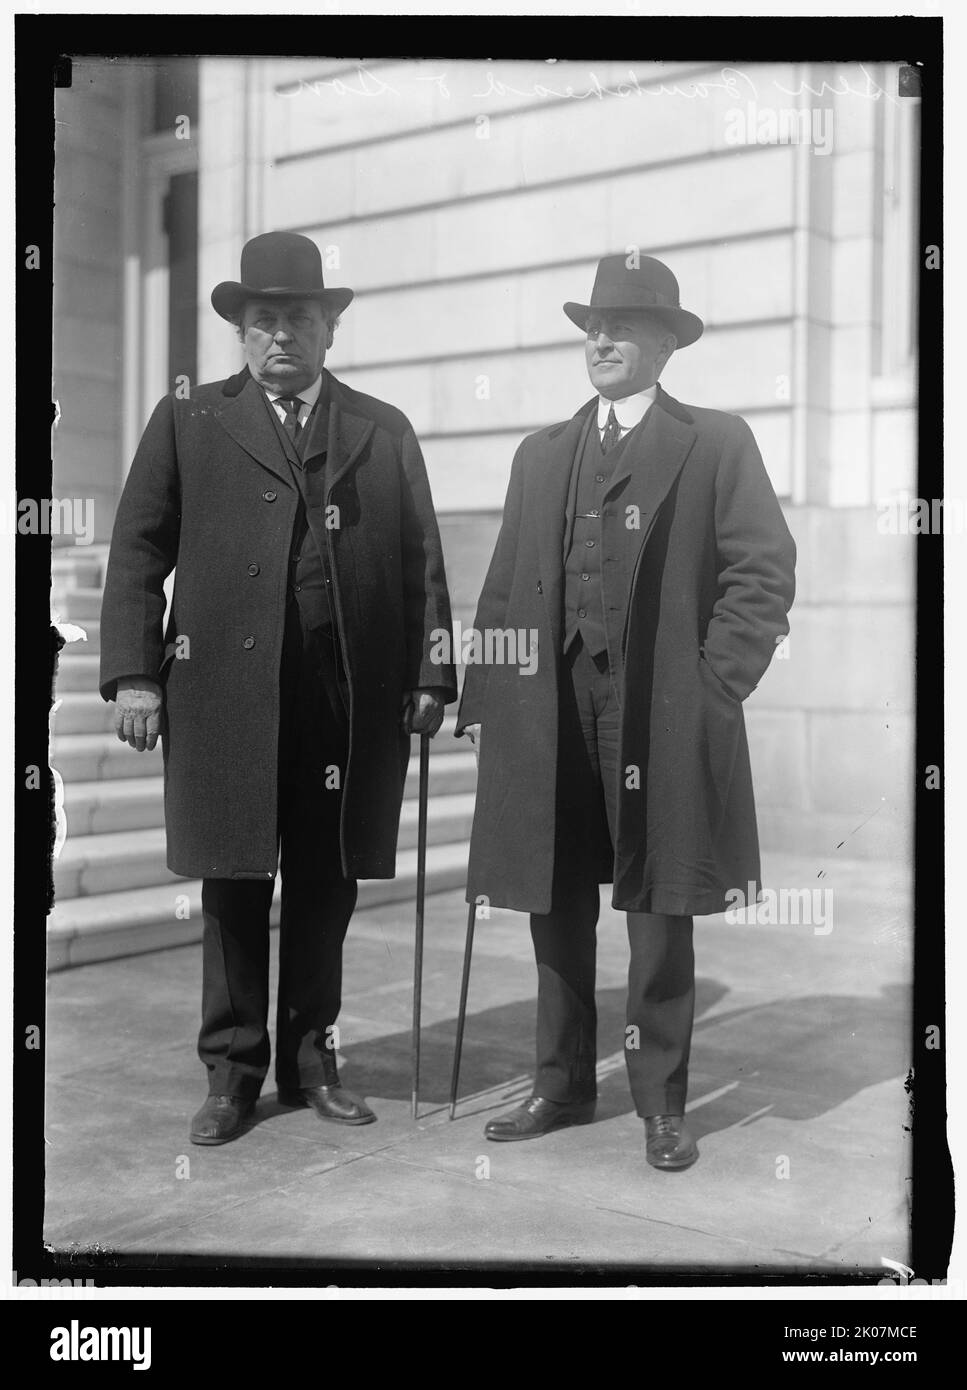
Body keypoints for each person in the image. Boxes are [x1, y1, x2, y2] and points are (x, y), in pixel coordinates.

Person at [100, 231, 456, 1145]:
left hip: (344, 699)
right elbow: (140, 544)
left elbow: (421, 560)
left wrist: (429, 673)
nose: (282, 336)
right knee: (231, 884)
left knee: (326, 882)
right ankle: (230, 1073)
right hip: (222, 694)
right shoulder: (190, 418)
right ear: (242, 333)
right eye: (264, 321)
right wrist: (136, 674)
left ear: (328, 329)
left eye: (300, 318)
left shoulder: (381, 427)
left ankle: (310, 1060)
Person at [457, 253, 796, 1170]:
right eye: (592, 327)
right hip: (547, 704)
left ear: (664, 346)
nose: (601, 341)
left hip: (657, 710)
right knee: (552, 898)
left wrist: (713, 684)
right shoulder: (542, 453)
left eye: (624, 327)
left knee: (657, 905)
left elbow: (762, 573)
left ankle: (660, 1105)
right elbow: (500, 589)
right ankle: (561, 1087)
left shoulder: (715, 442)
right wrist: (482, 693)